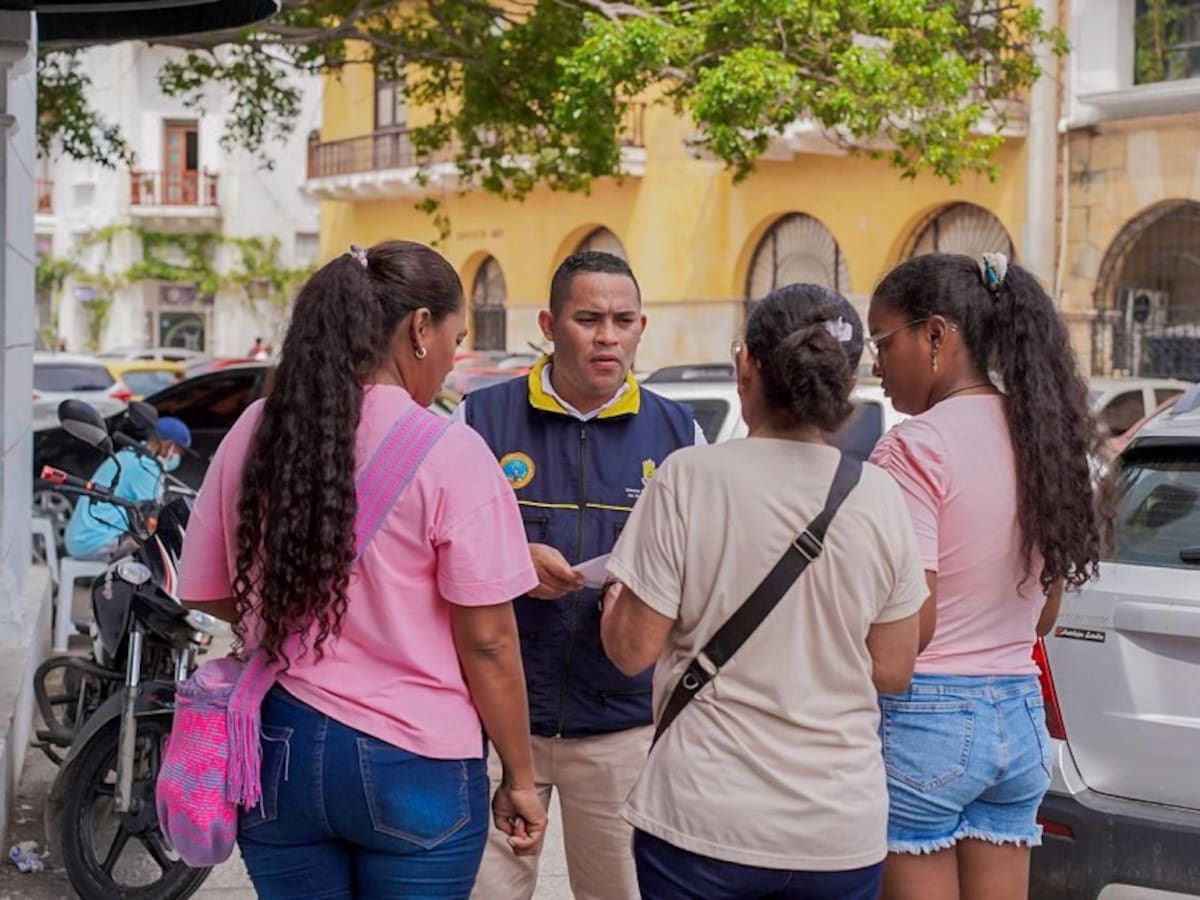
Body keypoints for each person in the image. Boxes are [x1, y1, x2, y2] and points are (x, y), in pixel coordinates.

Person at [177, 241, 547, 899]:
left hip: (279, 747)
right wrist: (520, 775)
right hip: (416, 757)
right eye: (456, 338)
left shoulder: (260, 429)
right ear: (420, 330)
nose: (455, 358)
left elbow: (207, 588)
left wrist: (294, 621)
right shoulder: (453, 453)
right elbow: (488, 642)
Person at [599, 283, 927, 900]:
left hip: (703, 818)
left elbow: (631, 651)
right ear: (844, 383)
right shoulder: (879, 497)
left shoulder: (689, 479)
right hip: (837, 828)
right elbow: (893, 668)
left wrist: (616, 596)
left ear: (746, 364)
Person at [457, 250, 703, 900]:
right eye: (588, 318)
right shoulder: (477, 423)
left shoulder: (680, 436)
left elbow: (703, 576)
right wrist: (512, 564)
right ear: (549, 322)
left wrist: (645, 592)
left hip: (623, 728)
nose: (607, 336)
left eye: (623, 320)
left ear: (642, 327)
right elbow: (435, 558)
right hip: (501, 723)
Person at [865, 253, 1106, 900]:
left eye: (883, 343)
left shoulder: (913, 447)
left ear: (936, 336)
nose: (876, 365)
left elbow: (914, 623)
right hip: (1019, 718)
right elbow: (1044, 616)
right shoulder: (1047, 440)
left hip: (926, 720)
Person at [64, 416, 191, 561]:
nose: (178, 457)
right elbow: (151, 518)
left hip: (80, 537)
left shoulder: (130, 454)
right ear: (168, 446)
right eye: (179, 452)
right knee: (157, 557)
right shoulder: (146, 468)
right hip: (95, 541)